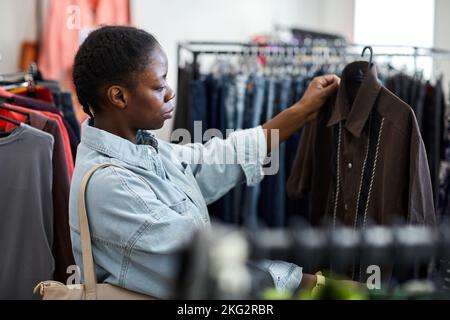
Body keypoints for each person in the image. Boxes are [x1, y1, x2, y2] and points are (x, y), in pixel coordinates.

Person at [70, 25, 340, 299]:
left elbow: (209, 160)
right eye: (159, 85)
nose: (170, 93)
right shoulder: (114, 185)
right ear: (119, 96)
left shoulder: (143, 149)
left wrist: (301, 111)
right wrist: (309, 284)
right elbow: (207, 266)